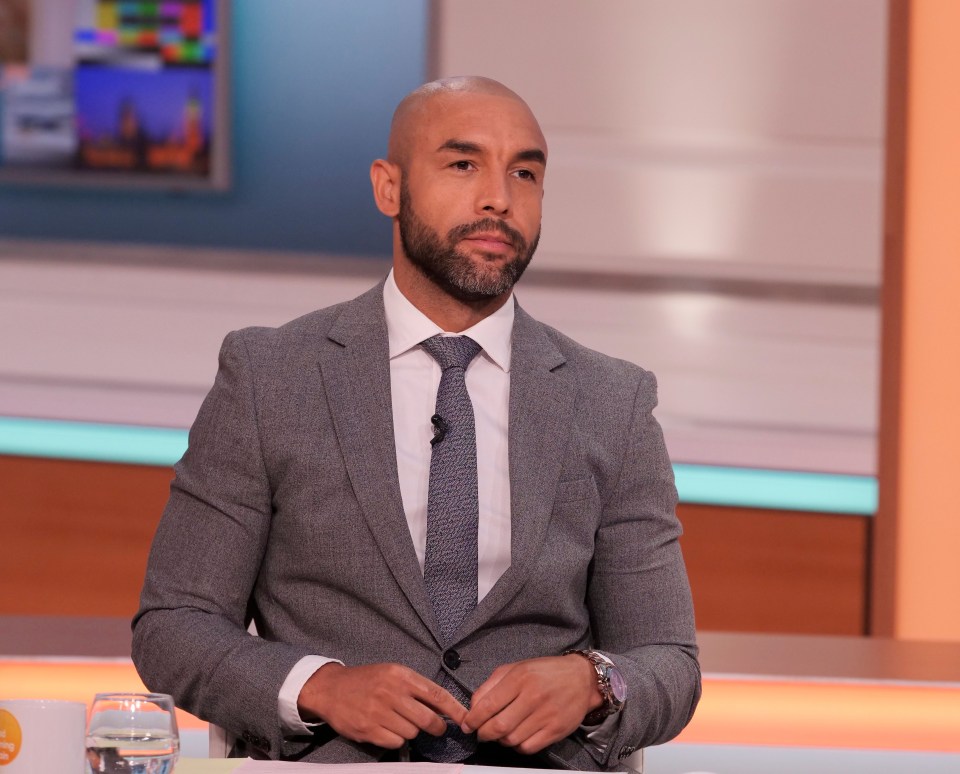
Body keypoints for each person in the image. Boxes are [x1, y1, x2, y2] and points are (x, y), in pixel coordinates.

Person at [132, 76, 700, 771]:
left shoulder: (612, 401)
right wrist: (320, 686)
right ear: (389, 188)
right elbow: (174, 627)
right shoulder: (269, 375)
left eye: (525, 172)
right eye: (463, 165)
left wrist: (593, 682)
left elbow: (670, 662)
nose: (499, 197)